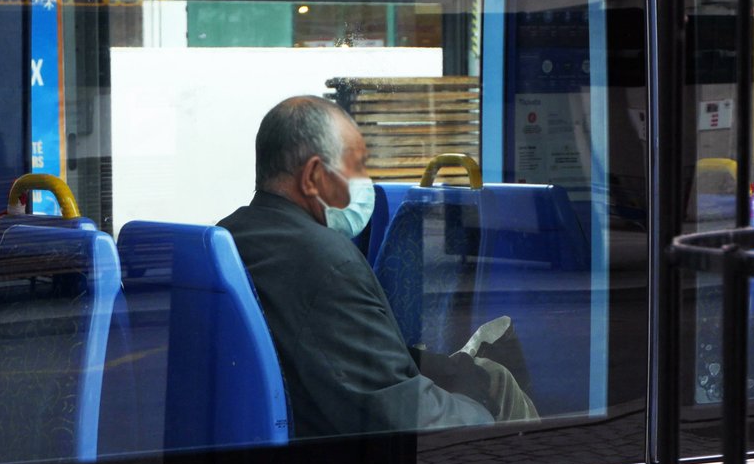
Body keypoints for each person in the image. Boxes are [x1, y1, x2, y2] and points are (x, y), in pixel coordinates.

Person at [218, 96, 537, 438]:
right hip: (347, 458)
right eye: (356, 166)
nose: (365, 181)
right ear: (312, 176)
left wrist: (445, 367)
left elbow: (339, 351)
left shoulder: (234, 234)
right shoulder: (327, 262)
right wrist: (478, 401)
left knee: (487, 371)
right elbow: (406, 417)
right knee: (500, 389)